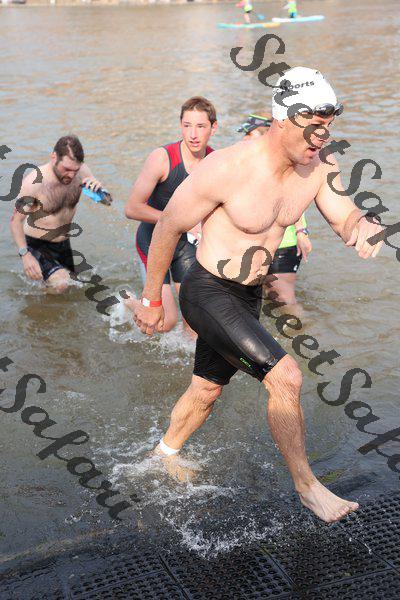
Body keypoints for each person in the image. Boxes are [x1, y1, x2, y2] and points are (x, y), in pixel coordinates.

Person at [127, 67, 385, 523]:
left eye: (328, 127)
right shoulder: (227, 167)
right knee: (286, 378)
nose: (322, 137)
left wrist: (362, 226)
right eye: (314, 127)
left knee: (206, 390)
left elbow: (343, 216)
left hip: (248, 296)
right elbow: (167, 226)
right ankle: (307, 487)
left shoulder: (319, 166)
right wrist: (151, 300)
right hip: (207, 290)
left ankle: (161, 455)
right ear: (282, 120)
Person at [125, 96, 217, 333]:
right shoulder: (162, 158)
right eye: (187, 126)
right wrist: (181, 223)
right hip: (152, 241)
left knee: (194, 322)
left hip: (185, 245)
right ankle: (131, 303)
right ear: (180, 126)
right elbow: (132, 208)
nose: (193, 134)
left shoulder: (215, 162)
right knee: (165, 323)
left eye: (201, 126)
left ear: (213, 128)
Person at [10, 135, 105, 294]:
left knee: (71, 289)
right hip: (37, 244)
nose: (71, 175)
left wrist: (100, 191)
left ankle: (38, 302)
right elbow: (15, 221)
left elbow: (106, 201)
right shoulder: (34, 183)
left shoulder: (82, 171)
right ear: (54, 157)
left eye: (75, 170)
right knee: (62, 284)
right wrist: (25, 255)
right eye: (66, 169)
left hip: (63, 244)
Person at [238, 113, 312, 309]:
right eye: (244, 135)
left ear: (266, 136)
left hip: (283, 243)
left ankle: (302, 326)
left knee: (284, 299)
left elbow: (294, 199)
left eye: (250, 134)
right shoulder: (244, 164)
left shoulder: (282, 164)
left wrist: (301, 231)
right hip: (253, 243)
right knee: (258, 296)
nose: (244, 140)